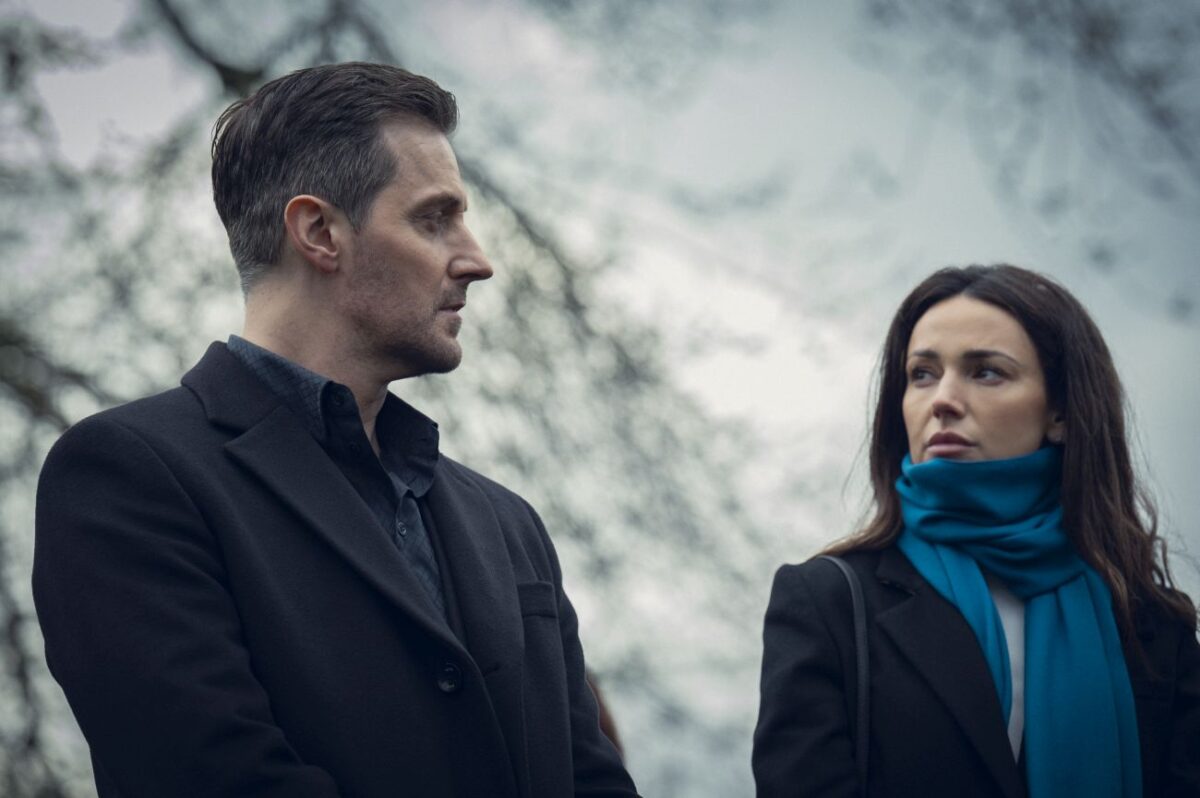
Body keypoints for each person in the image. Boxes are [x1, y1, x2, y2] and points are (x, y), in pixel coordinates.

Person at [33, 62, 639, 798]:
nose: (477, 261)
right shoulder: (130, 476)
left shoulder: (509, 525)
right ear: (320, 231)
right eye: (434, 218)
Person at [753, 264, 1200, 797]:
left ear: (1060, 412)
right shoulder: (826, 603)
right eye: (922, 374)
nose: (942, 399)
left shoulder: (1153, 627)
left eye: (986, 372)